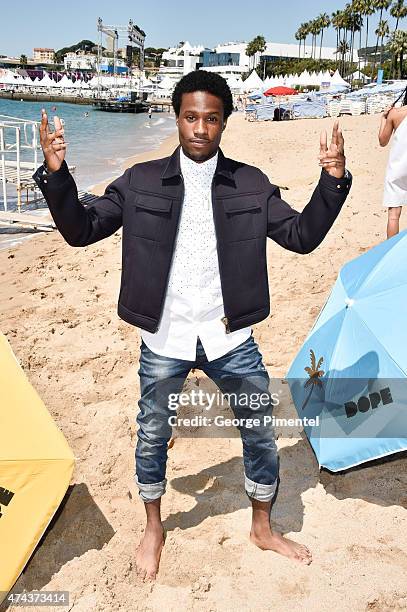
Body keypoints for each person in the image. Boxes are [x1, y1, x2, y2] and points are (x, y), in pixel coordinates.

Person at [33, 71, 351, 581]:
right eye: (190, 117)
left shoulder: (250, 183)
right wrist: (57, 173)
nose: (199, 128)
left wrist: (332, 182)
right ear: (176, 117)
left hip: (230, 335)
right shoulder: (138, 180)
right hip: (166, 334)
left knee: (260, 430)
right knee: (153, 433)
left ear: (224, 122)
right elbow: (81, 229)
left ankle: (263, 527)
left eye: (211, 118)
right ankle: (154, 526)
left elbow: (300, 235)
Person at [379, 86, 407, 239]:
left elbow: (382, 141)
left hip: (398, 167)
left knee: (394, 215)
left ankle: (390, 252)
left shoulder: (395, 114)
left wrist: (383, 118)